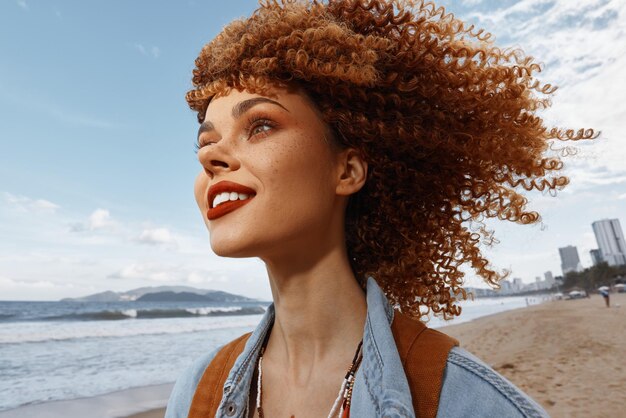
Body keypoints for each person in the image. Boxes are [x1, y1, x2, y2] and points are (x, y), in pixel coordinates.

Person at [165, 1, 596, 417]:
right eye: (205, 142)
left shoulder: (470, 403)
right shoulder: (195, 393)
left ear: (347, 170)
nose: (210, 158)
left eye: (260, 125)